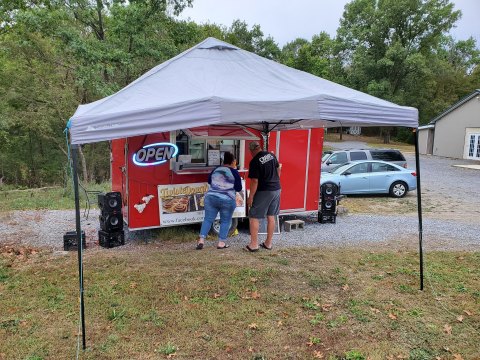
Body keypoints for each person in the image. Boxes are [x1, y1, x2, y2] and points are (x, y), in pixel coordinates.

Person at [196, 152, 242, 250]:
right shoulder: (234, 172)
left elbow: (209, 181)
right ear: (233, 161)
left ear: (223, 161)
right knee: (225, 221)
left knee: (208, 219)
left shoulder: (215, 170)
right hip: (227, 200)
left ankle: (201, 241)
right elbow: (238, 188)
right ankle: (221, 243)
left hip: (211, 198)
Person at [246, 141, 281, 252]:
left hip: (264, 190)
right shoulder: (271, 155)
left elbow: (254, 181)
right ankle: (268, 243)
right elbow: (278, 168)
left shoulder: (255, 161)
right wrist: (275, 180)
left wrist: (251, 196)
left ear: (252, 150)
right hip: (276, 188)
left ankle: (254, 245)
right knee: (271, 216)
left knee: (254, 216)